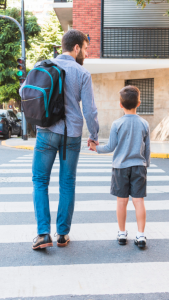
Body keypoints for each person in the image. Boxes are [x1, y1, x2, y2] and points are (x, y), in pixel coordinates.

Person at [24, 30, 99, 250]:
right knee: (67, 183)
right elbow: (90, 110)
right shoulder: (82, 73)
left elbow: (24, 91)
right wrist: (93, 136)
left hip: (46, 131)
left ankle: (43, 234)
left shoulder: (43, 66)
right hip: (72, 134)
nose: (85, 52)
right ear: (76, 48)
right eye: (85, 48)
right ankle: (63, 235)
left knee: (40, 181)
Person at [90, 85, 150, 248]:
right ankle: (141, 235)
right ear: (139, 103)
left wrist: (97, 148)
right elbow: (147, 148)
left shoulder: (117, 124)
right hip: (139, 166)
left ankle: (122, 233)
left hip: (120, 167)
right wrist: (146, 164)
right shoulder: (144, 123)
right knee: (139, 201)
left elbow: (110, 147)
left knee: (121, 201)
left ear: (120, 105)